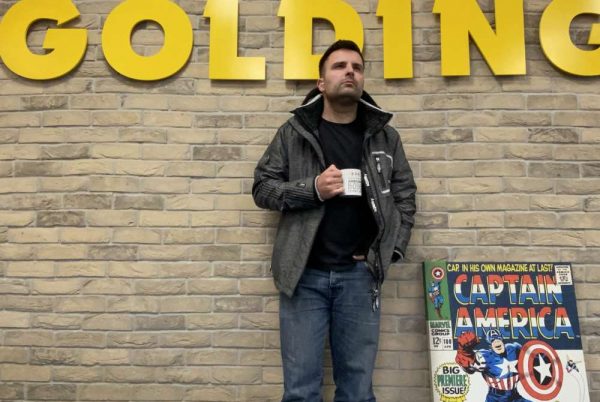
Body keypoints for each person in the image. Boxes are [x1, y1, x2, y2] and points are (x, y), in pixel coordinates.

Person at [252, 39, 417, 401]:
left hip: (360, 278)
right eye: (340, 66)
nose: (350, 72)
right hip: (303, 277)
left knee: (357, 390)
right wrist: (311, 189)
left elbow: (405, 197)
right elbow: (263, 188)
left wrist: (389, 251)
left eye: (357, 67)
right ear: (321, 83)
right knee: (300, 390)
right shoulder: (293, 134)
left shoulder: (385, 138)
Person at [456, 329, 532, 402]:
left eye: (498, 339)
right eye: (493, 340)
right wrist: (463, 351)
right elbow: (469, 369)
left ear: (502, 340)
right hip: (495, 399)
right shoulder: (484, 356)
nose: (496, 342)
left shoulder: (514, 349)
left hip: (514, 397)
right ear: (490, 345)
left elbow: (534, 356)